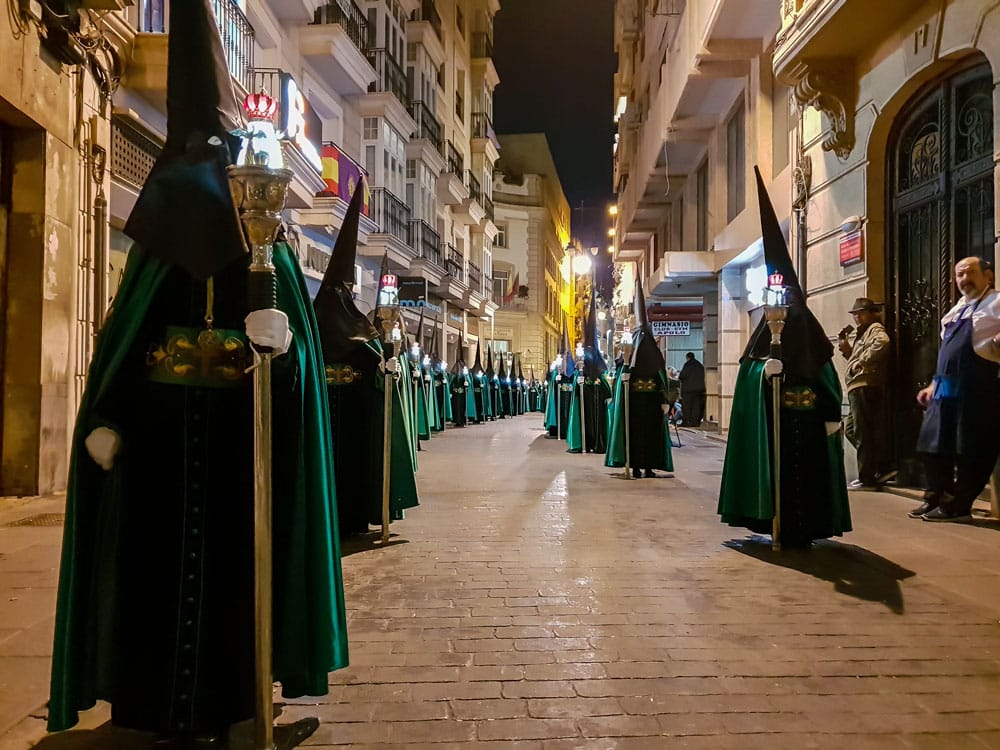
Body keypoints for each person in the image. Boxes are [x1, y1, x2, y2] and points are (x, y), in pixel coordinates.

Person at [48, 1, 349, 743]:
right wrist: (110, 416)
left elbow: (299, 360)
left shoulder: (264, 237)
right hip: (155, 450)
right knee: (150, 579)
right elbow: (127, 337)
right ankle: (145, 700)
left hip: (237, 449)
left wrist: (282, 347)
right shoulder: (155, 247)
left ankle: (236, 695)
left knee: (235, 580)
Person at [718, 167, 851, 548]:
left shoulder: (808, 331)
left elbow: (826, 377)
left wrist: (829, 414)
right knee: (776, 476)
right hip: (771, 425)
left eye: (790, 303)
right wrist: (763, 371)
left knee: (807, 479)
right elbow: (747, 387)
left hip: (808, 423)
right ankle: (772, 523)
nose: (784, 312)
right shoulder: (763, 335)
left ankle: (805, 530)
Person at [313, 184, 418, 537]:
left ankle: (354, 515)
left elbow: (381, 376)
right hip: (335, 415)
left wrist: (387, 369)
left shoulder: (349, 333)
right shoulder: (348, 330)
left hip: (353, 419)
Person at [911, 256, 1000, 521]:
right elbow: (946, 351)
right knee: (933, 442)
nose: (964, 279)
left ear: (989, 276)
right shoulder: (957, 308)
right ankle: (936, 496)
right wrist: (932, 383)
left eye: (970, 273)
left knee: (972, 446)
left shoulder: (996, 302)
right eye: (959, 275)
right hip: (946, 384)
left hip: (979, 383)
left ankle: (958, 505)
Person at [606, 279, 675, 477]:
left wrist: (664, 400)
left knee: (652, 436)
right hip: (634, 403)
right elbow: (622, 373)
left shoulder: (654, 355)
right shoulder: (630, 355)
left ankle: (649, 467)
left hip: (652, 402)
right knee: (634, 435)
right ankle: (635, 466)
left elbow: (662, 378)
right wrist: (625, 374)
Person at [838, 297, 894, 489]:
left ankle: (867, 477)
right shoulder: (862, 333)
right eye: (855, 314)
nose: (857, 318)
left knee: (861, 431)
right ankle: (878, 466)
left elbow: (883, 343)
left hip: (865, 385)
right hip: (857, 386)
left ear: (872, 313)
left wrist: (861, 361)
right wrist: (848, 351)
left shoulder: (874, 329)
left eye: (861, 313)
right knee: (852, 429)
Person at [679, 352, 706, 426]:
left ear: (688, 358)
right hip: (699, 391)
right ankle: (695, 422)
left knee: (687, 407)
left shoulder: (687, 365)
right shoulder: (700, 365)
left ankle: (686, 422)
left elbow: (682, 376)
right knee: (696, 407)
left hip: (688, 390)